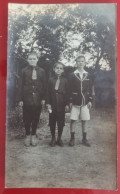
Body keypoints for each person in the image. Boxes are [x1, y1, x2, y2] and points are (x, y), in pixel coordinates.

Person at [18, 52, 46, 147]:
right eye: (30, 59)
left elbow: (44, 85)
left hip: (38, 99)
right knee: (26, 118)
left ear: (37, 59)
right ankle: (27, 135)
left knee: (35, 117)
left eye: (34, 58)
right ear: (27, 60)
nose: (32, 60)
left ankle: (33, 135)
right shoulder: (24, 71)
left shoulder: (41, 71)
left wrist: (43, 98)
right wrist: (20, 99)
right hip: (26, 98)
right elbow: (20, 85)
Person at [69, 55, 93, 147]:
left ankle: (84, 139)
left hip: (85, 101)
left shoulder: (88, 75)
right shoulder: (72, 75)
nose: (80, 63)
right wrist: (70, 101)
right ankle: (72, 138)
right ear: (76, 63)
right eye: (78, 61)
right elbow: (69, 88)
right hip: (75, 101)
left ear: (85, 63)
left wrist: (90, 100)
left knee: (85, 120)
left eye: (82, 61)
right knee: (73, 120)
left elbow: (90, 89)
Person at [46, 62, 69, 147]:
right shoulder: (50, 80)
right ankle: (53, 138)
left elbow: (67, 93)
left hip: (61, 104)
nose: (58, 70)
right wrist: (48, 103)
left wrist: (66, 104)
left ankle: (59, 138)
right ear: (54, 69)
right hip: (52, 104)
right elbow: (47, 92)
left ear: (63, 70)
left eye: (60, 68)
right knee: (52, 121)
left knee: (61, 122)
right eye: (57, 68)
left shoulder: (65, 80)